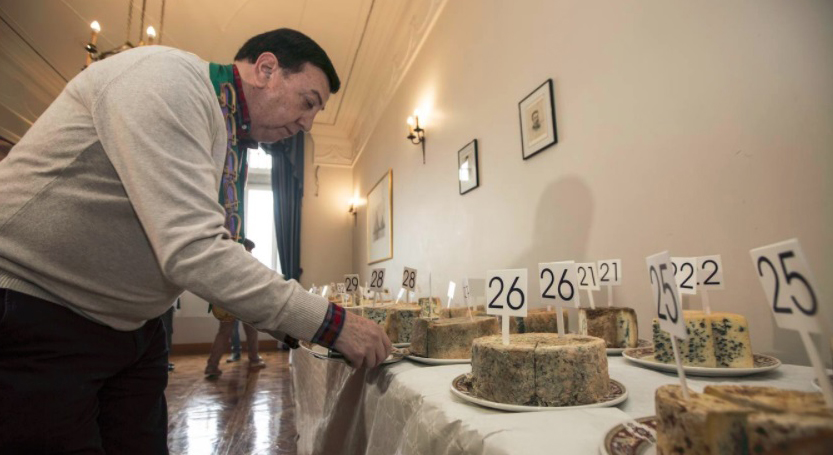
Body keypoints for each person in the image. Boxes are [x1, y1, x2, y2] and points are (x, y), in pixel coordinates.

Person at [0, 28, 391, 454]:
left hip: (135, 327)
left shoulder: (225, 135)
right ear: (266, 69)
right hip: (38, 313)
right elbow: (194, 249)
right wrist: (332, 323)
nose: (307, 124)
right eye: (308, 101)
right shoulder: (168, 78)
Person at [205, 238, 265, 377]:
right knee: (252, 331)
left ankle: (211, 366)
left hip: (226, 302)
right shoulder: (247, 258)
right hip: (246, 302)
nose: (251, 252)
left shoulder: (224, 259)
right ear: (246, 247)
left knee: (223, 333)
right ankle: (254, 359)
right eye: (250, 249)